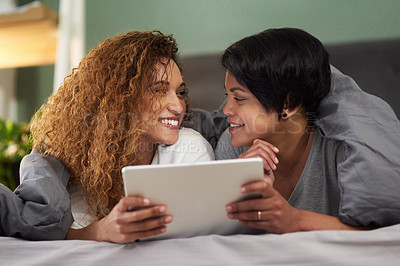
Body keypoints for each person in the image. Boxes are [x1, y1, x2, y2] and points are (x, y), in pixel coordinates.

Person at [7, 31, 213, 243]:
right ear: (121, 96)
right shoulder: (74, 162)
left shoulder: (189, 149)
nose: (178, 106)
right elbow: (46, 233)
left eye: (180, 92)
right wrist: (99, 232)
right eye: (159, 90)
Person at [215, 28, 400, 233]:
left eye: (239, 98)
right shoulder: (233, 149)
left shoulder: (347, 153)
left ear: (288, 104)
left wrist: (295, 221)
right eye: (228, 96)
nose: (226, 110)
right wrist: (234, 182)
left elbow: (386, 233)